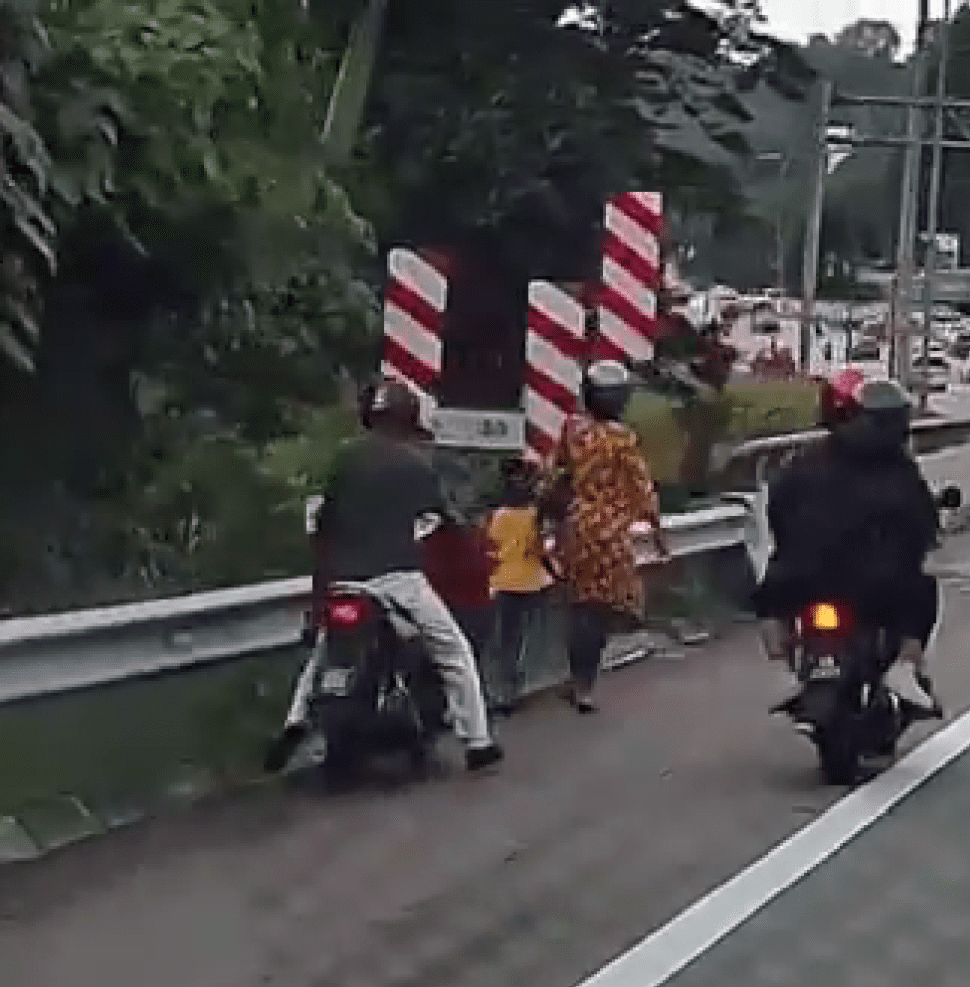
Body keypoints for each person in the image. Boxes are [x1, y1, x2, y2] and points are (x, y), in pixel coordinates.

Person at [265, 378, 504, 772]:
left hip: (345, 578)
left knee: (325, 649)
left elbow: (325, 526)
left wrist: (320, 593)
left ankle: (295, 720)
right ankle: (477, 741)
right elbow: (448, 518)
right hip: (399, 578)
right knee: (453, 650)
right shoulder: (415, 466)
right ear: (407, 417)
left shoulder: (346, 459)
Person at [753, 369, 942, 713]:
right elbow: (922, 523)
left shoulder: (806, 461)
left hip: (803, 576)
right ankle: (904, 667)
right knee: (921, 594)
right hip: (876, 582)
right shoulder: (897, 469)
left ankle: (777, 667)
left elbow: (777, 508)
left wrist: (793, 549)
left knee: (769, 596)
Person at [540, 360, 671, 713]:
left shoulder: (573, 430)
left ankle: (577, 679)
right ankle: (585, 684)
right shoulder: (623, 439)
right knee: (603, 610)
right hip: (611, 533)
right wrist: (656, 529)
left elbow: (556, 475)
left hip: (576, 527)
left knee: (580, 606)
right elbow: (641, 488)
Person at [486, 456, 555, 715]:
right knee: (528, 637)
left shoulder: (497, 516)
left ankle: (503, 690)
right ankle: (519, 686)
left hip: (503, 582)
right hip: (533, 582)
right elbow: (540, 549)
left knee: (506, 639)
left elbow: (491, 548)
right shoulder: (534, 516)